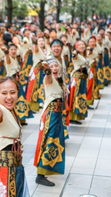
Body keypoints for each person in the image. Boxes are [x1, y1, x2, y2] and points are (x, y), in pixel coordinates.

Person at [34, 58, 67, 187]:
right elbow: (47, 76)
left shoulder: (59, 80)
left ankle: (46, 169)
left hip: (57, 113)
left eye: (56, 66)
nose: (54, 68)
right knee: (48, 139)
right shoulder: (49, 78)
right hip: (51, 114)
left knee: (54, 139)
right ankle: (40, 174)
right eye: (52, 66)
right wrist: (47, 70)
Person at [69, 40, 89, 124]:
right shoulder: (76, 54)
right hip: (77, 78)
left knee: (81, 96)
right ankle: (72, 116)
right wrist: (73, 52)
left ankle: (78, 115)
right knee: (75, 96)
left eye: (83, 44)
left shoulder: (84, 55)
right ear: (76, 47)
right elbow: (74, 55)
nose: (81, 46)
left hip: (83, 79)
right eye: (79, 45)